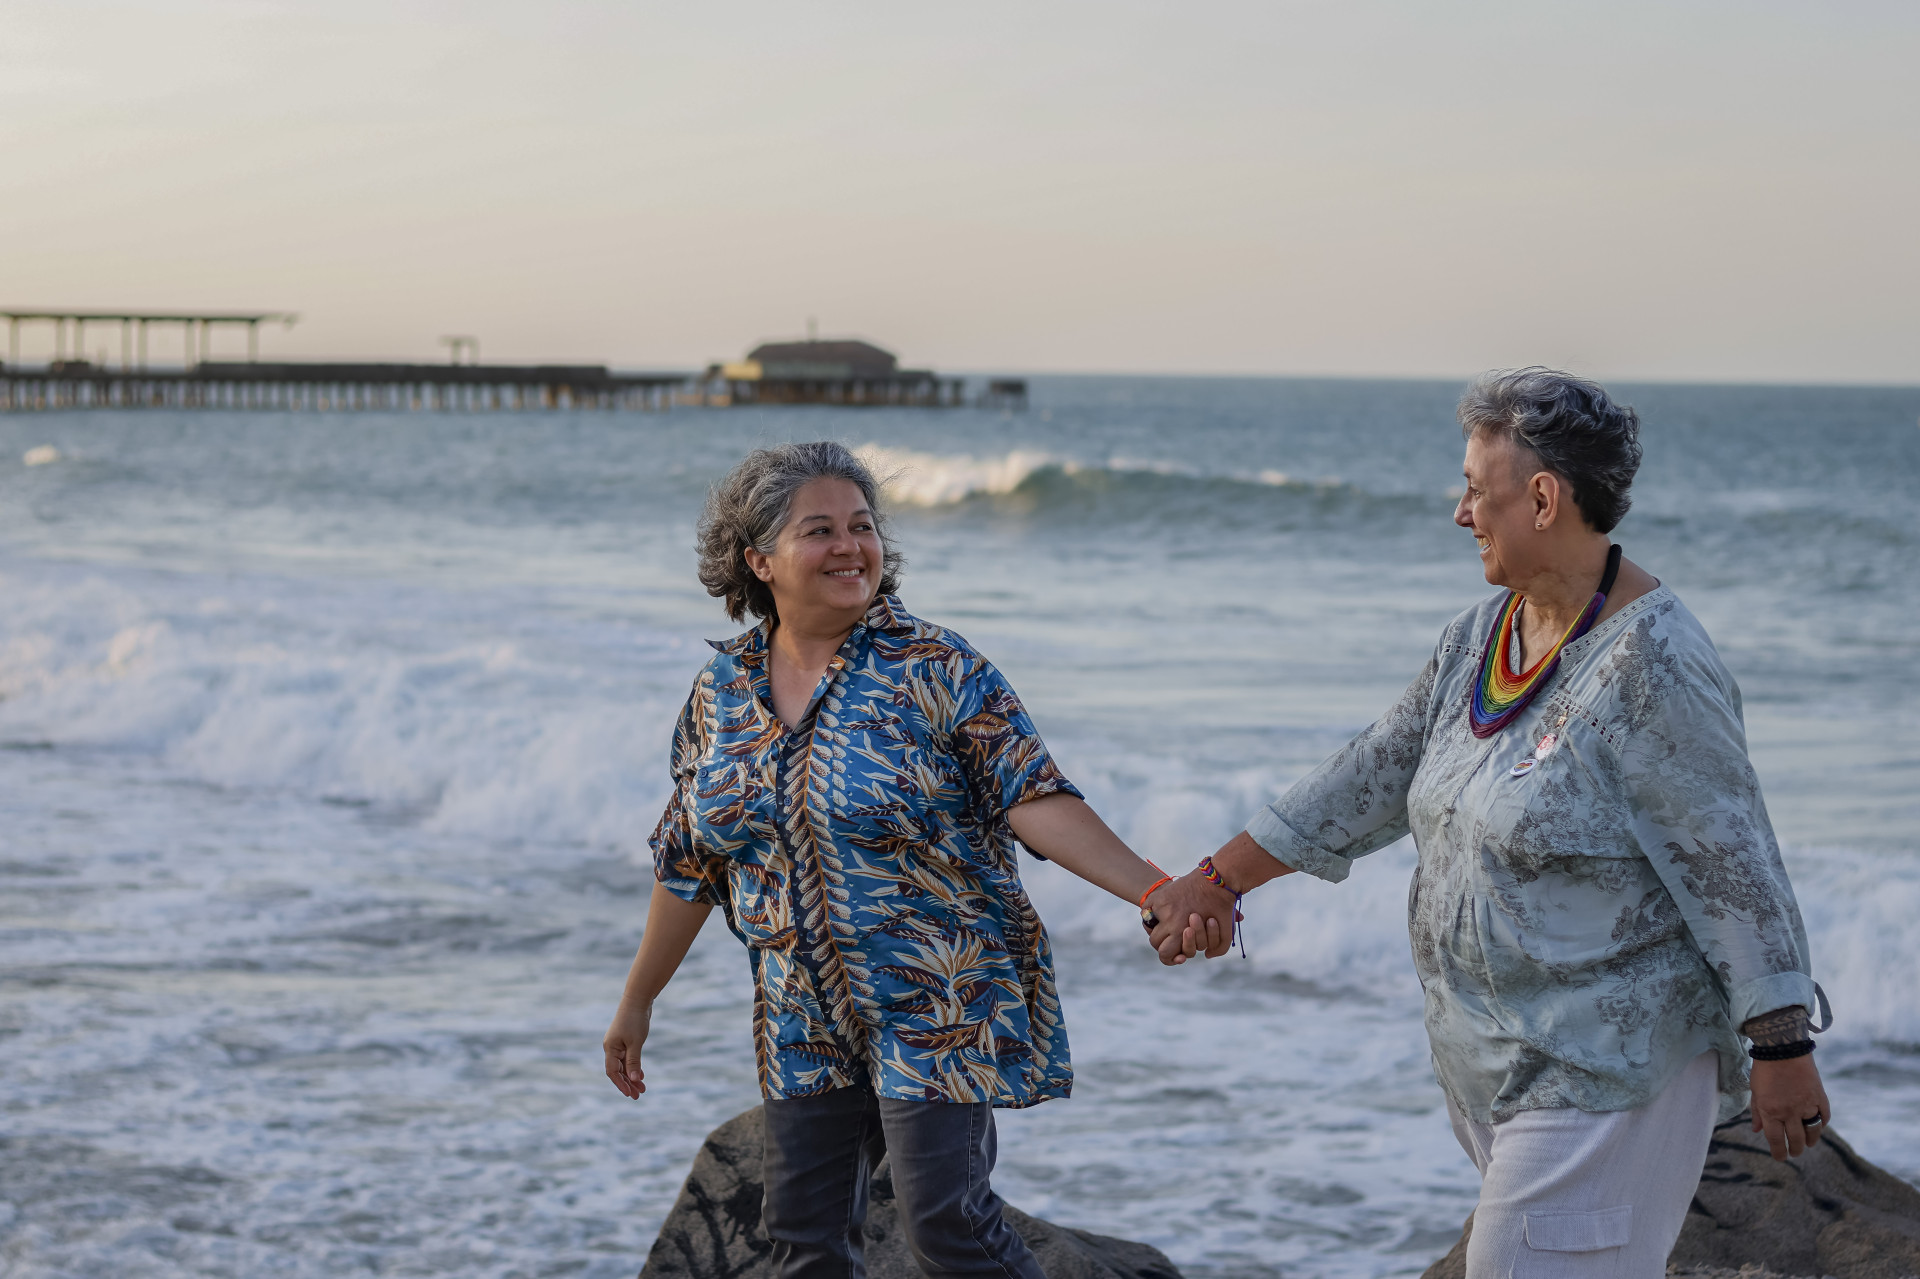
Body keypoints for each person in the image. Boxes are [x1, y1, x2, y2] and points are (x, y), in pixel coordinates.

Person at [1145, 368, 1832, 1279]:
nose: (1460, 512)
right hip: (1498, 1059)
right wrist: (1219, 876)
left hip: (1610, 1067)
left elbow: (1733, 863)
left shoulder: (1655, 667)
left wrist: (1781, 1044)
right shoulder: (1483, 633)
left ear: (1543, 497)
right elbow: (1368, 775)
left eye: (1476, 487)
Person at [604, 441, 1169, 1279]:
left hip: (936, 988)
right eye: (820, 529)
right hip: (801, 1009)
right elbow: (690, 858)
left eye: (863, 526)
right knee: (803, 1237)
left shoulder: (935, 669)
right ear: (758, 559)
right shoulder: (720, 695)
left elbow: (1035, 796)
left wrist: (1155, 889)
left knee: (946, 1220)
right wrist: (638, 999)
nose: (851, 546)